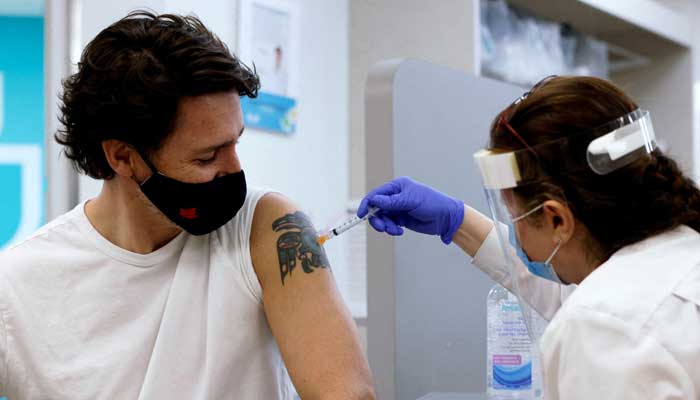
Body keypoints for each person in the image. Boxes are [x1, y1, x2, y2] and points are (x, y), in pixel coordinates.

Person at [0, 11, 375, 400]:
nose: (234, 170)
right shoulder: (17, 289)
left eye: (236, 143)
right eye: (207, 157)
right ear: (123, 158)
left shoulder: (265, 227)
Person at [359, 76, 700, 399]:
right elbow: (573, 293)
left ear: (556, 219)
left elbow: (596, 311)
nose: (516, 233)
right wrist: (456, 221)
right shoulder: (678, 255)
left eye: (514, 215)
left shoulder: (604, 327)